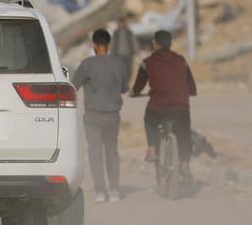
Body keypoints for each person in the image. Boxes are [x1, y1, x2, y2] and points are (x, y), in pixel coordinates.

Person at [131, 30, 197, 184]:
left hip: (158, 108)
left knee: (149, 119)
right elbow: (191, 85)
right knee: (185, 134)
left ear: (156, 44)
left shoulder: (147, 62)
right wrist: (190, 92)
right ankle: (185, 165)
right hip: (181, 107)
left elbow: (138, 87)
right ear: (171, 44)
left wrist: (134, 92)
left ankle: (152, 149)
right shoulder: (181, 60)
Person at [72, 28, 129, 203]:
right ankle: (114, 190)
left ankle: (100, 191)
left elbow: (74, 85)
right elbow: (124, 88)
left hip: (93, 116)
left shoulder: (87, 64)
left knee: (95, 153)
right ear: (109, 44)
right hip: (113, 114)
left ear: (94, 45)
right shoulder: (118, 63)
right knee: (112, 151)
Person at [110, 15, 137, 85]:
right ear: (118, 23)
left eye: (124, 22)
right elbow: (113, 44)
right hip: (119, 55)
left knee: (129, 70)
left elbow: (133, 42)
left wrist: (135, 51)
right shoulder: (116, 33)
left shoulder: (129, 32)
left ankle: (127, 83)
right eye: (121, 22)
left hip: (128, 54)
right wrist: (112, 54)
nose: (122, 24)